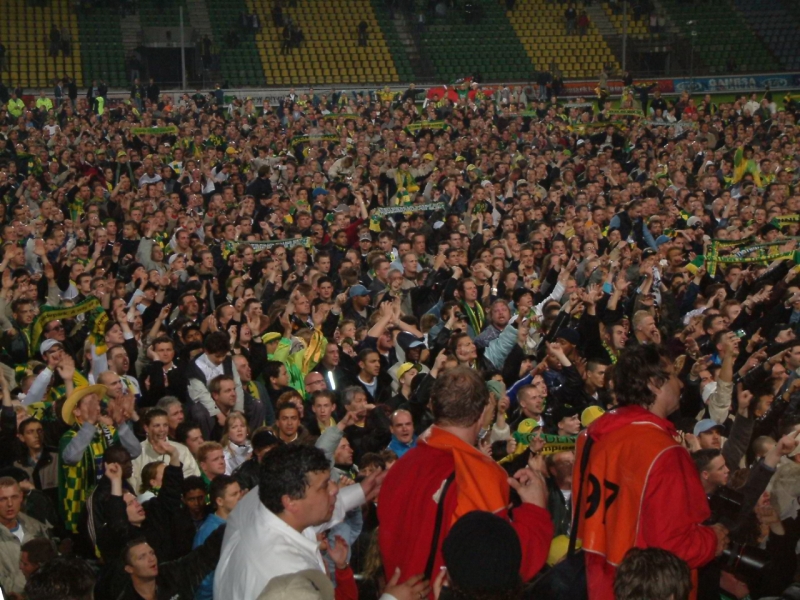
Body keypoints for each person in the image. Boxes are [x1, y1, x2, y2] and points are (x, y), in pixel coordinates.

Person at [573, 345, 728, 600]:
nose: (680, 385)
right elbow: (674, 547)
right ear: (656, 383)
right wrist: (713, 540)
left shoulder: (591, 435)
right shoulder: (663, 452)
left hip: (600, 584)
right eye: (674, 377)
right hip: (651, 590)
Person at [379, 367, 552, 585]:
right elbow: (503, 569)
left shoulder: (398, 468)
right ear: (482, 413)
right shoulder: (480, 475)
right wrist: (535, 511)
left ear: (434, 407)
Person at [214, 443, 384, 600]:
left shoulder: (262, 504)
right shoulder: (289, 572)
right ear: (290, 501)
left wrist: (361, 491)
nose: (334, 489)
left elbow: (311, 510)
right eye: (324, 486)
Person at [57, 384, 141, 534]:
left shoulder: (107, 432)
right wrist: (89, 424)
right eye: (89, 403)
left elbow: (134, 451)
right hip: (81, 508)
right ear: (76, 411)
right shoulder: (69, 437)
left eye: (96, 402)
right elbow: (71, 458)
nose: (96, 407)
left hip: (109, 502)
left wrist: (120, 424)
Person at [193, 475, 242, 600]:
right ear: (220, 501)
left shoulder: (239, 523)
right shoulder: (208, 532)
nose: (240, 497)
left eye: (240, 492)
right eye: (234, 494)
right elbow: (203, 580)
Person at [0, 477, 50, 594]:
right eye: (3, 499)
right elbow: (5, 588)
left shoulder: (37, 527)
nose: (10, 504)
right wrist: (31, 570)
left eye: (14, 497)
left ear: (21, 497)